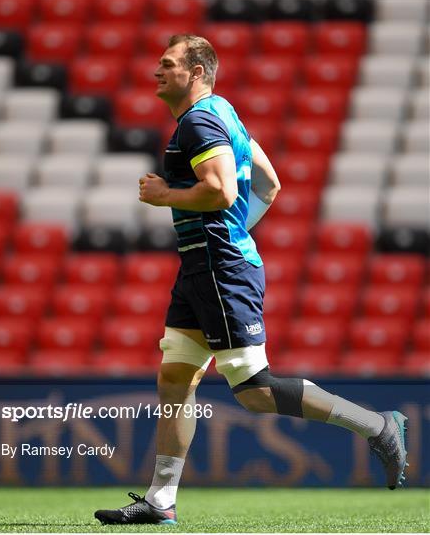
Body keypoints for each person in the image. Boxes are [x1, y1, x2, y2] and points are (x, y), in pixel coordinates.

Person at [94, 34, 408, 526]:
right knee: (176, 377)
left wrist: (164, 196)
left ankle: (377, 425)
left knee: (254, 391)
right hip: (204, 265)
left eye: (168, 64)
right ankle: (160, 501)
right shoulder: (224, 113)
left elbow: (219, 192)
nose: (157, 71)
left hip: (218, 266)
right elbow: (269, 183)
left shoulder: (198, 122)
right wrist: (236, 231)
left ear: (197, 71)